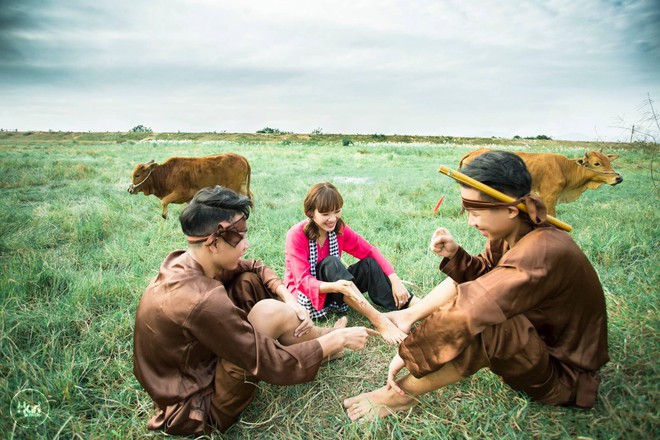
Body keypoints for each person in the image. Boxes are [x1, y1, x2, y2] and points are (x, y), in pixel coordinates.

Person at [343, 151, 609, 420]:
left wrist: (410, 352)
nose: (470, 221)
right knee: (476, 293)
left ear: (509, 209)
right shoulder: (512, 232)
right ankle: (407, 315)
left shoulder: (542, 251)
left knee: (490, 326)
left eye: (475, 212)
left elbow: (471, 308)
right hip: (537, 341)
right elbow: (484, 276)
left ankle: (399, 395)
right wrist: (457, 256)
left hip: (564, 377)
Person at [133, 186, 377, 435]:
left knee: (248, 279)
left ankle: (315, 338)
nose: (246, 244)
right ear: (212, 243)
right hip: (196, 409)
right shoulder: (203, 301)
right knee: (266, 327)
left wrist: (289, 298)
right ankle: (324, 344)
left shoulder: (182, 260)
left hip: (193, 371)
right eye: (239, 236)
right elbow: (271, 363)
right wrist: (337, 340)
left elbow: (255, 266)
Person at [284, 182, 419, 345]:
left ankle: (414, 305)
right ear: (311, 213)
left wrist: (395, 280)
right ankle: (380, 321)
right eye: (325, 213)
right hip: (308, 297)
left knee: (369, 264)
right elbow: (302, 281)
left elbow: (369, 251)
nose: (332, 218)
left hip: (337, 287)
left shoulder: (339, 229)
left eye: (337, 211)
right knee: (331, 263)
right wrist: (336, 287)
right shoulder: (296, 234)